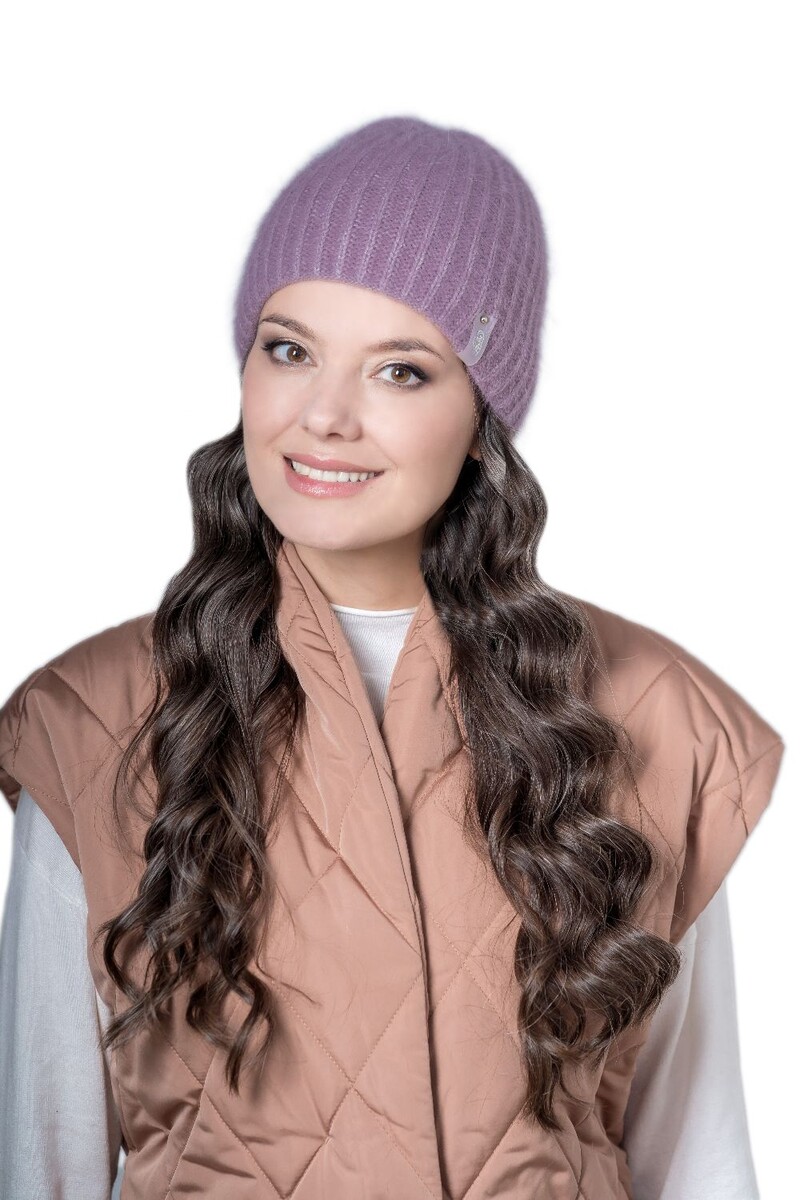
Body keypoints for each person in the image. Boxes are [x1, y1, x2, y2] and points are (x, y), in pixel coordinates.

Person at [0, 115, 785, 1200]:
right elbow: (39, 1160)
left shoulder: (648, 717)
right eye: (288, 350)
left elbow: (699, 1162)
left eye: (401, 372)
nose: (324, 416)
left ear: (482, 414)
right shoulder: (95, 719)